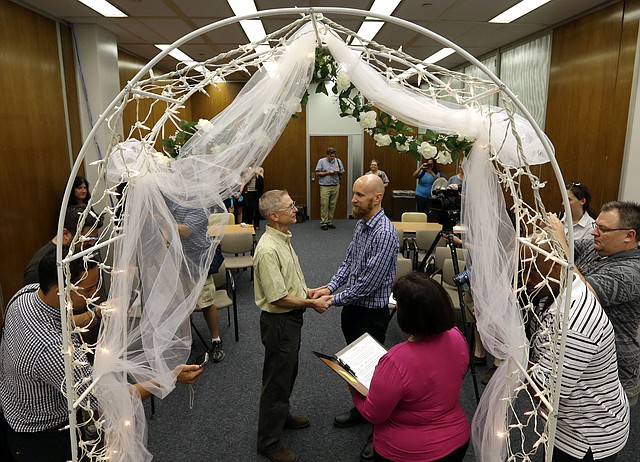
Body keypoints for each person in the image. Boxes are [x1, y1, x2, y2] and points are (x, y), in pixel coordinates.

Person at [0, 247, 203, 462]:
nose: (94, 294)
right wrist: (169, 377)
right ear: (60, 289)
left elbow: (63, 324)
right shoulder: (52, 350)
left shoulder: (25, 296)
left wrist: (95, 314)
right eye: (87, 290)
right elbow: (107, 398)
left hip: (15, 411)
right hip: (43, 437)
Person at [311, 174, 399, 462]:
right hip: (353, 309)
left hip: (371, 314)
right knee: (353, 367)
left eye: (360, 195)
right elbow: (349, 264)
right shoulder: (362, 226)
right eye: (353, 193)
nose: (353, 199)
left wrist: (331, 300)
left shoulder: (384, 233)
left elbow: (368, 284)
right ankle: (362, 411)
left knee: (375, 375)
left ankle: (380, 430)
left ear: (377, 198)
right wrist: (330, 287)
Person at [523, 240, 629, 461]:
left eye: (533, 273)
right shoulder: (553, 289)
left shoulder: (573, 324)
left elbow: (546, 394)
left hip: (587, 435)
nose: (526, 281)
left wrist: (509, 349)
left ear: (558, 268)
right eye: (523, 271)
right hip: (567, 422)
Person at [351, 272, 470, 462]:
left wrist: (352, 383)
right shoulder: (457, 337)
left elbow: (374, 414)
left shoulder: (396, 360)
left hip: (407, 452)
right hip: (457, 441)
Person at [253, 190, 332, 462]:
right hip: (279, 322)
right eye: (290, 207)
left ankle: (281, 416)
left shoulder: (282, 238)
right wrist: (311, 304)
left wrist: (307, 291)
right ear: (274, 216)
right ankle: (268, 442)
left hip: (288, 319)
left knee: (287, 373)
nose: (296, 209)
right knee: (276, 380)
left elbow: (288, 283)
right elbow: (278, 297)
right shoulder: (267, 249)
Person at [550, 202, 640, 407]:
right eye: (596, 225)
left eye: (603, 229)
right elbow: (561, 247)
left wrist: (560, 239)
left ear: (629, 236)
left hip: (615, 375)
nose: (593, 231)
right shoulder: (597, 247)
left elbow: (581, 294)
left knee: (599, 433)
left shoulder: (633, 272)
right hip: (586, 361)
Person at [23, 204, 103, 331]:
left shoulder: (79, 253)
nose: (91, 246)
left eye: (95, 239)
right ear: (65, 234)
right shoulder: (38, 269)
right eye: (87, 240)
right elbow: (46, 323)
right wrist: (96, 314)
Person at [168, 202, 226, 362]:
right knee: (183, 307)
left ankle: (216, 340)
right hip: (179, 262)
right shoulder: (171, 202)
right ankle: (188, 341)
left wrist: (162, 220)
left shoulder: (199, 204)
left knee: (206, 303)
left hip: (198, 263)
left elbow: (186, 231)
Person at [315, 147, 344, 230]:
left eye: (333, 156)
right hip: (325, 186)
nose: (332, 158)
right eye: (331, 156)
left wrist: (338, 171)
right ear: (327, 155)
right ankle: (324, 222)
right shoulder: (321, 161)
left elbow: (342, 172)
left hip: (335, 185)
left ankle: (329, 221)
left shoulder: (338, 161)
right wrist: (328, 172)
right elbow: (317, 173)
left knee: (332, 205)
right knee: (324, 204)